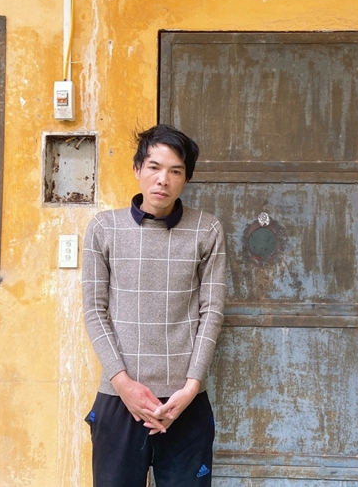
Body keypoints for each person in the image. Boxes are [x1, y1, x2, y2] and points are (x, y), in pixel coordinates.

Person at [82, 124, 226, 487]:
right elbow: (94, 310)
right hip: (119, 398)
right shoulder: (104, 228)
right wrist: (123, 384)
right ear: (137, 169)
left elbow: (211, 312)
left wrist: (190, 387)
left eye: (175, 171)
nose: (163, 179)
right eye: (154, 167)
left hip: (185, 401)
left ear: (186, 178)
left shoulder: (206, 230)